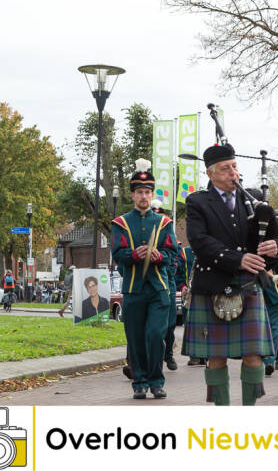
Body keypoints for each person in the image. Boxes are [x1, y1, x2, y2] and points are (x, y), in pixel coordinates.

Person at [181, 144, 278, 406]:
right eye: (225, 169)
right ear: (211, 174)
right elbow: (199, 241)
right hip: (213, 285)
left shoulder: (253, 198)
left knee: (253, 355)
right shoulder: (197, 202)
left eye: (235, 166)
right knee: (216, 357)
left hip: (247, 285)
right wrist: (238, 259)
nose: (233, 173)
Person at [111, 159, 177, 400]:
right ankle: (139, 383)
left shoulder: (164, 222)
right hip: (133, 288)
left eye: (147, 192)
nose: (143, 196)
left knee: (155, 334)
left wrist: (160, 256)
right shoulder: (121, 223)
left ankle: (157, 381)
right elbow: (117, 253)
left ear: (152, 194)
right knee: (136, 337)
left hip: (159, 289)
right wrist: (133, 254)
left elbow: (173, 254)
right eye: (139, 192)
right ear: (132, 195)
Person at [151, 200, 180, 371]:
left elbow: (173, 257)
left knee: (169, 323)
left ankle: (168, 354)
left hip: (166, 283)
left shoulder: (169, 233)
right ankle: (133, 361)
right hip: (145, 281)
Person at [175, 242, 202, 366]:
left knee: (205, 325)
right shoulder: (184, 252)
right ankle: (194, 356)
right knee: (190, 325)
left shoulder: (209, 249)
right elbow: (178, 272)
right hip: (189, 295)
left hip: (205, 292)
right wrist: (182, 285)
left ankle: (205, 355)